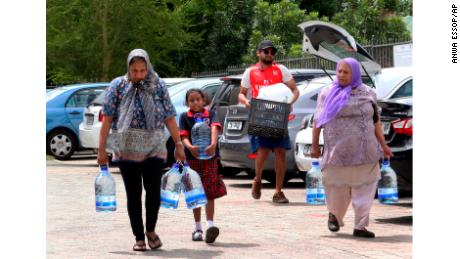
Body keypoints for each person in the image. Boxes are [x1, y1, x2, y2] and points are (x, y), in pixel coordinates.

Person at [97, 49, 186, 251]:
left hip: (154, 147)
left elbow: (169, 116)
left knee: (153, 192)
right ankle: (139, 237)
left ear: (148, 68)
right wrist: (102, 149)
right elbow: (108, 119)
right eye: (134, 70)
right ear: (128, 68)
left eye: (142, 70)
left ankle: (151, 230)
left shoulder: (158, 85)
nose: (138, 75)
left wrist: (178, 144)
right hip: (126, 148)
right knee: (133, 194)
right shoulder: (117, 86)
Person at [311, 57, 393, 238]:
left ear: (355, 73)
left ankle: (360, 226)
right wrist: (315, 145)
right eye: (339, 71)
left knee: (366, 188)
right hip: (336, 151)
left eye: (345, 72)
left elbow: (376, 122)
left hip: (365, 151)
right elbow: (317, 121)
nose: (341, 75)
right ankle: (334, 215)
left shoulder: (369, 93)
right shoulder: (326, 93)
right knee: (335, 187)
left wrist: (383, 145)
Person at [238, 40, 299, 203]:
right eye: (266, 51)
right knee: (263, 151)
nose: (269, 54)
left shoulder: (281, 70)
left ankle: (278, 191)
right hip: (260, 115)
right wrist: (246, 102)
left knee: (280, 151)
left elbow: (295, 89)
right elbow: (242, 93)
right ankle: (257, 179)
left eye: (272, 52)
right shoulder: (250, 72)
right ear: (258, 53)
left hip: (279, 115)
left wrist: (290, 103)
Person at [179, 88, 227, 243]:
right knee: (195, 193)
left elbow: (214, 128)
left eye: (198, 99)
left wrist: (213, 144)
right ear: (187, 103)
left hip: (210, 158)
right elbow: (184, 136)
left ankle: (210, 226)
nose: (195, 103)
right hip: (193, 159)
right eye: (191, 100)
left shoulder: (211, 114)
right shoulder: (184, 117)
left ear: (204, 100)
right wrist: (190, 147)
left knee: (210, 192)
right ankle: (197, 228)